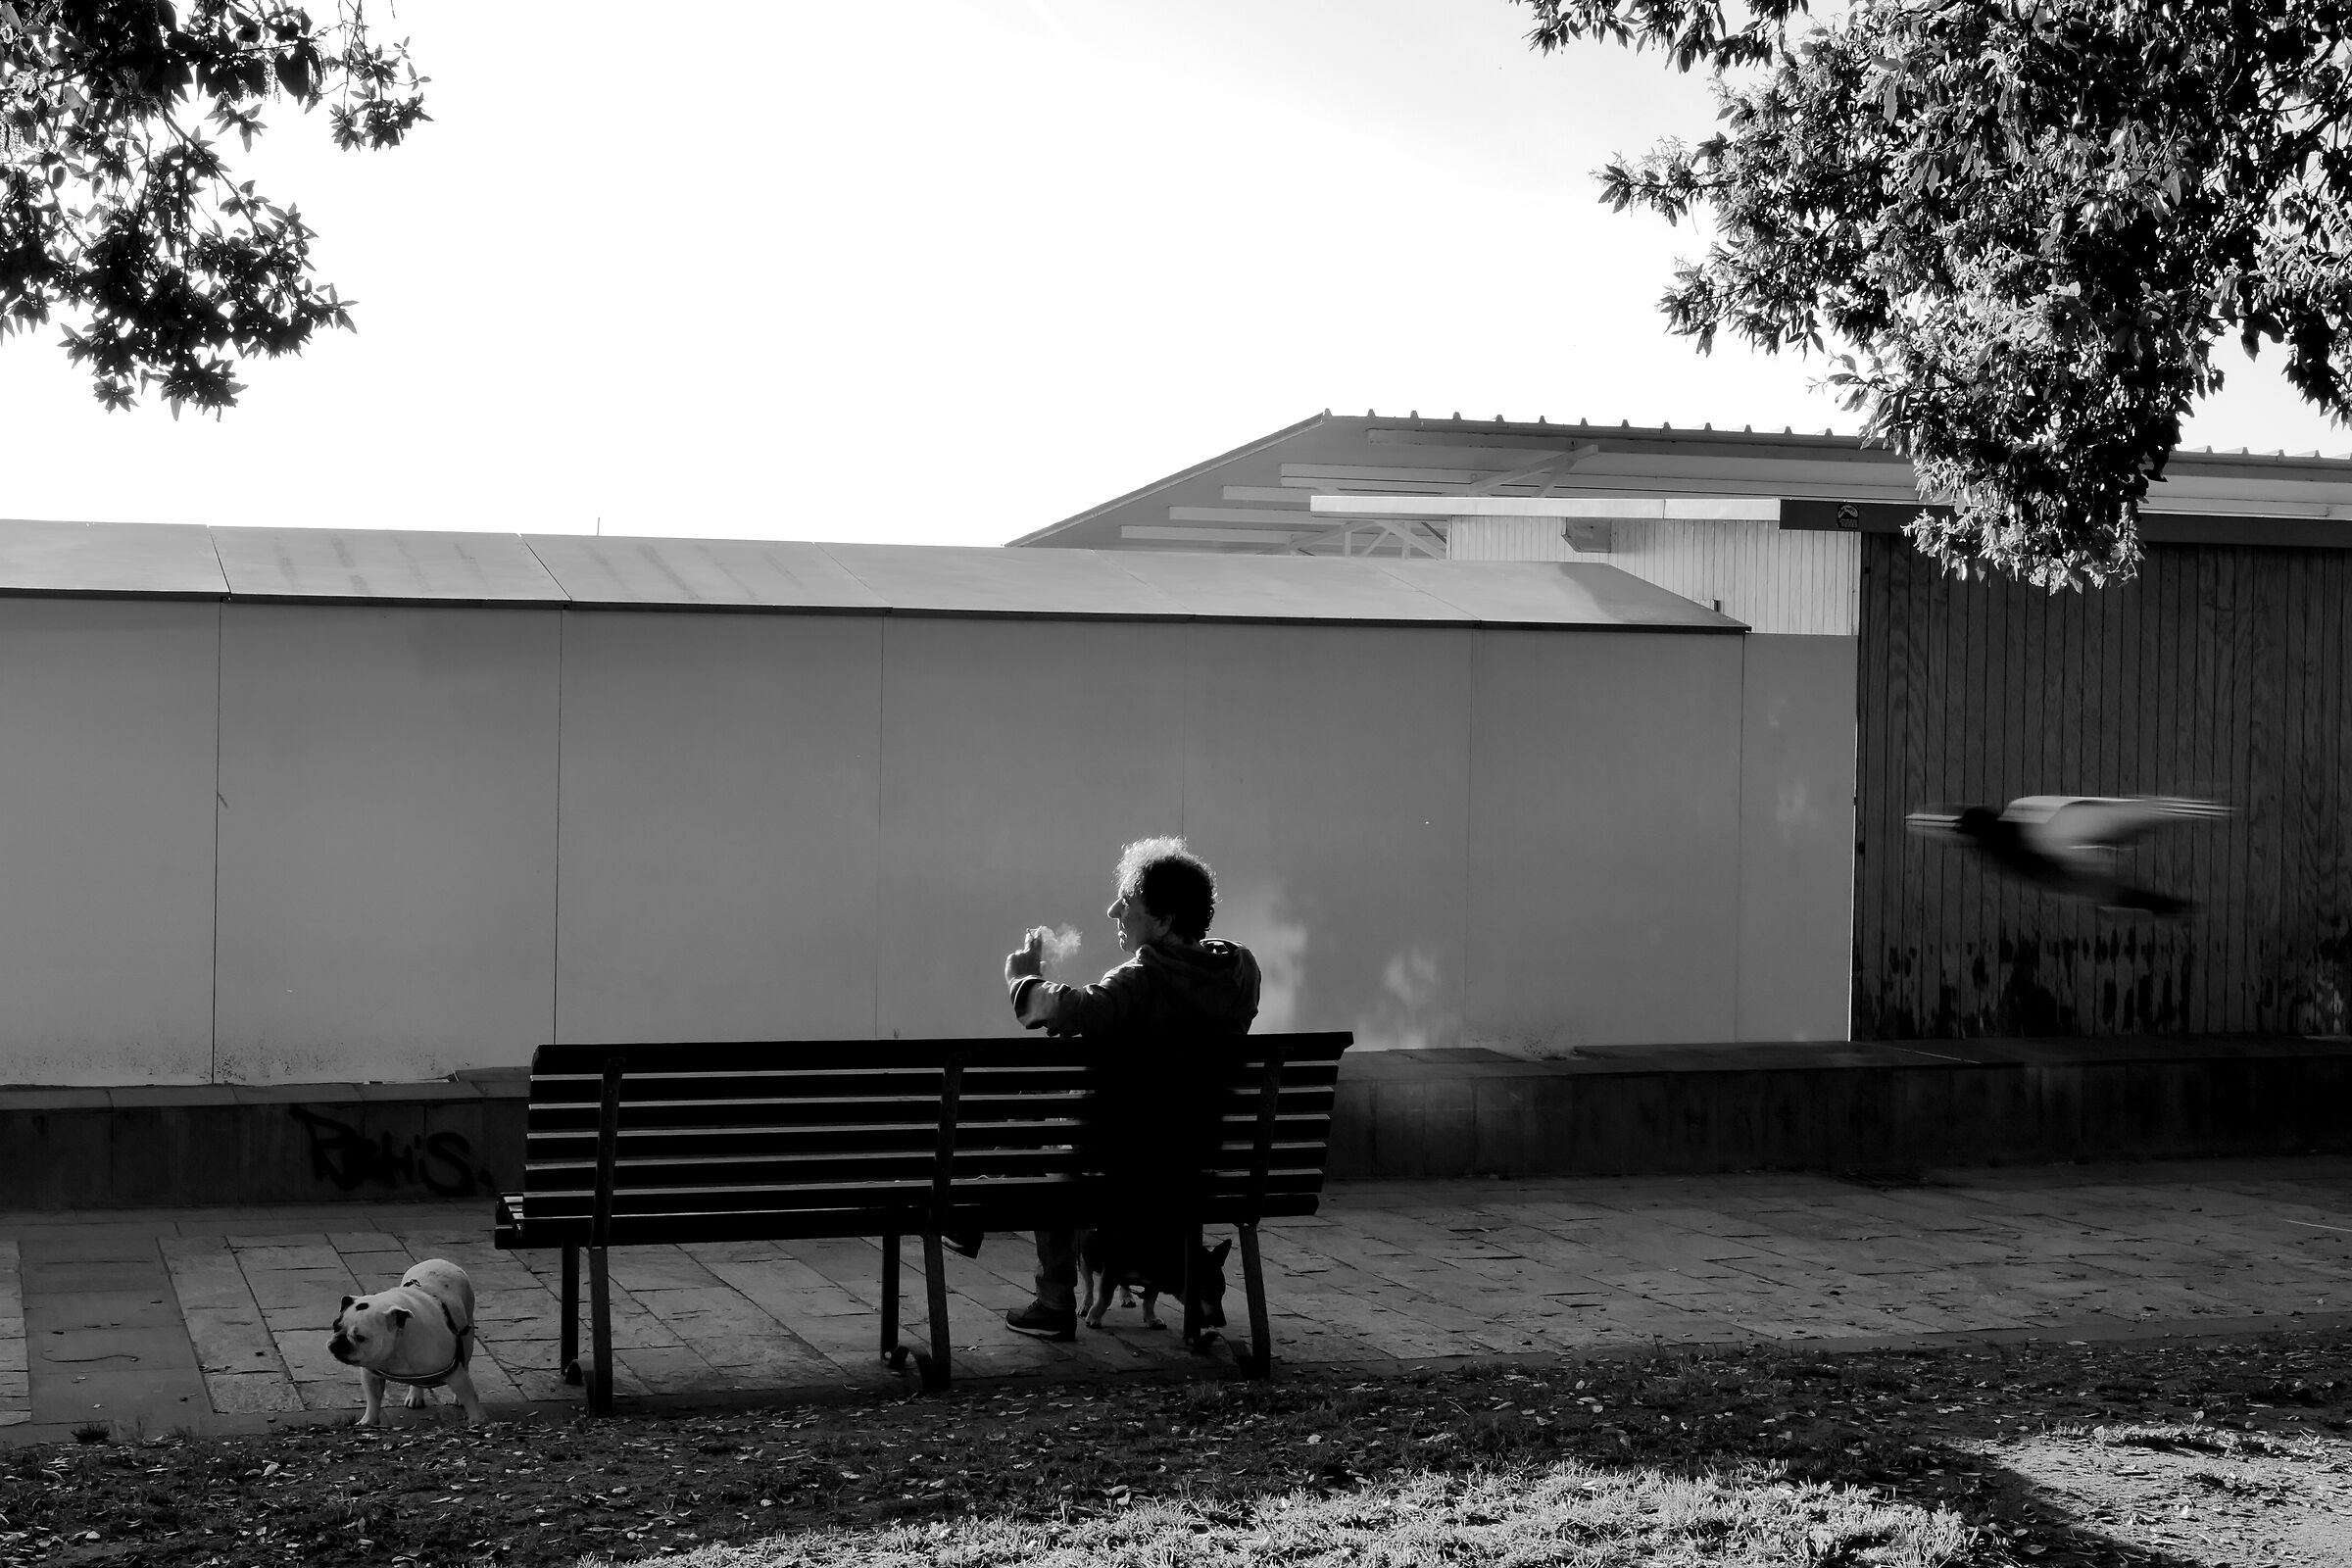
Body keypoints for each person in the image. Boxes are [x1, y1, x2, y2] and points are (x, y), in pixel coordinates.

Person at [996, 836, 1260, 1340]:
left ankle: (1053, 1302)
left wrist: (1023, 982)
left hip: (1126, 1168)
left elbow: (1070, 1009)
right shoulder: (1241, 972)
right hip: (1198, 1162)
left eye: (1128, 901)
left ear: (1162, 921)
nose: (1114, 909)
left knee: (1054, 1154)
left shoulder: (1141, 980)